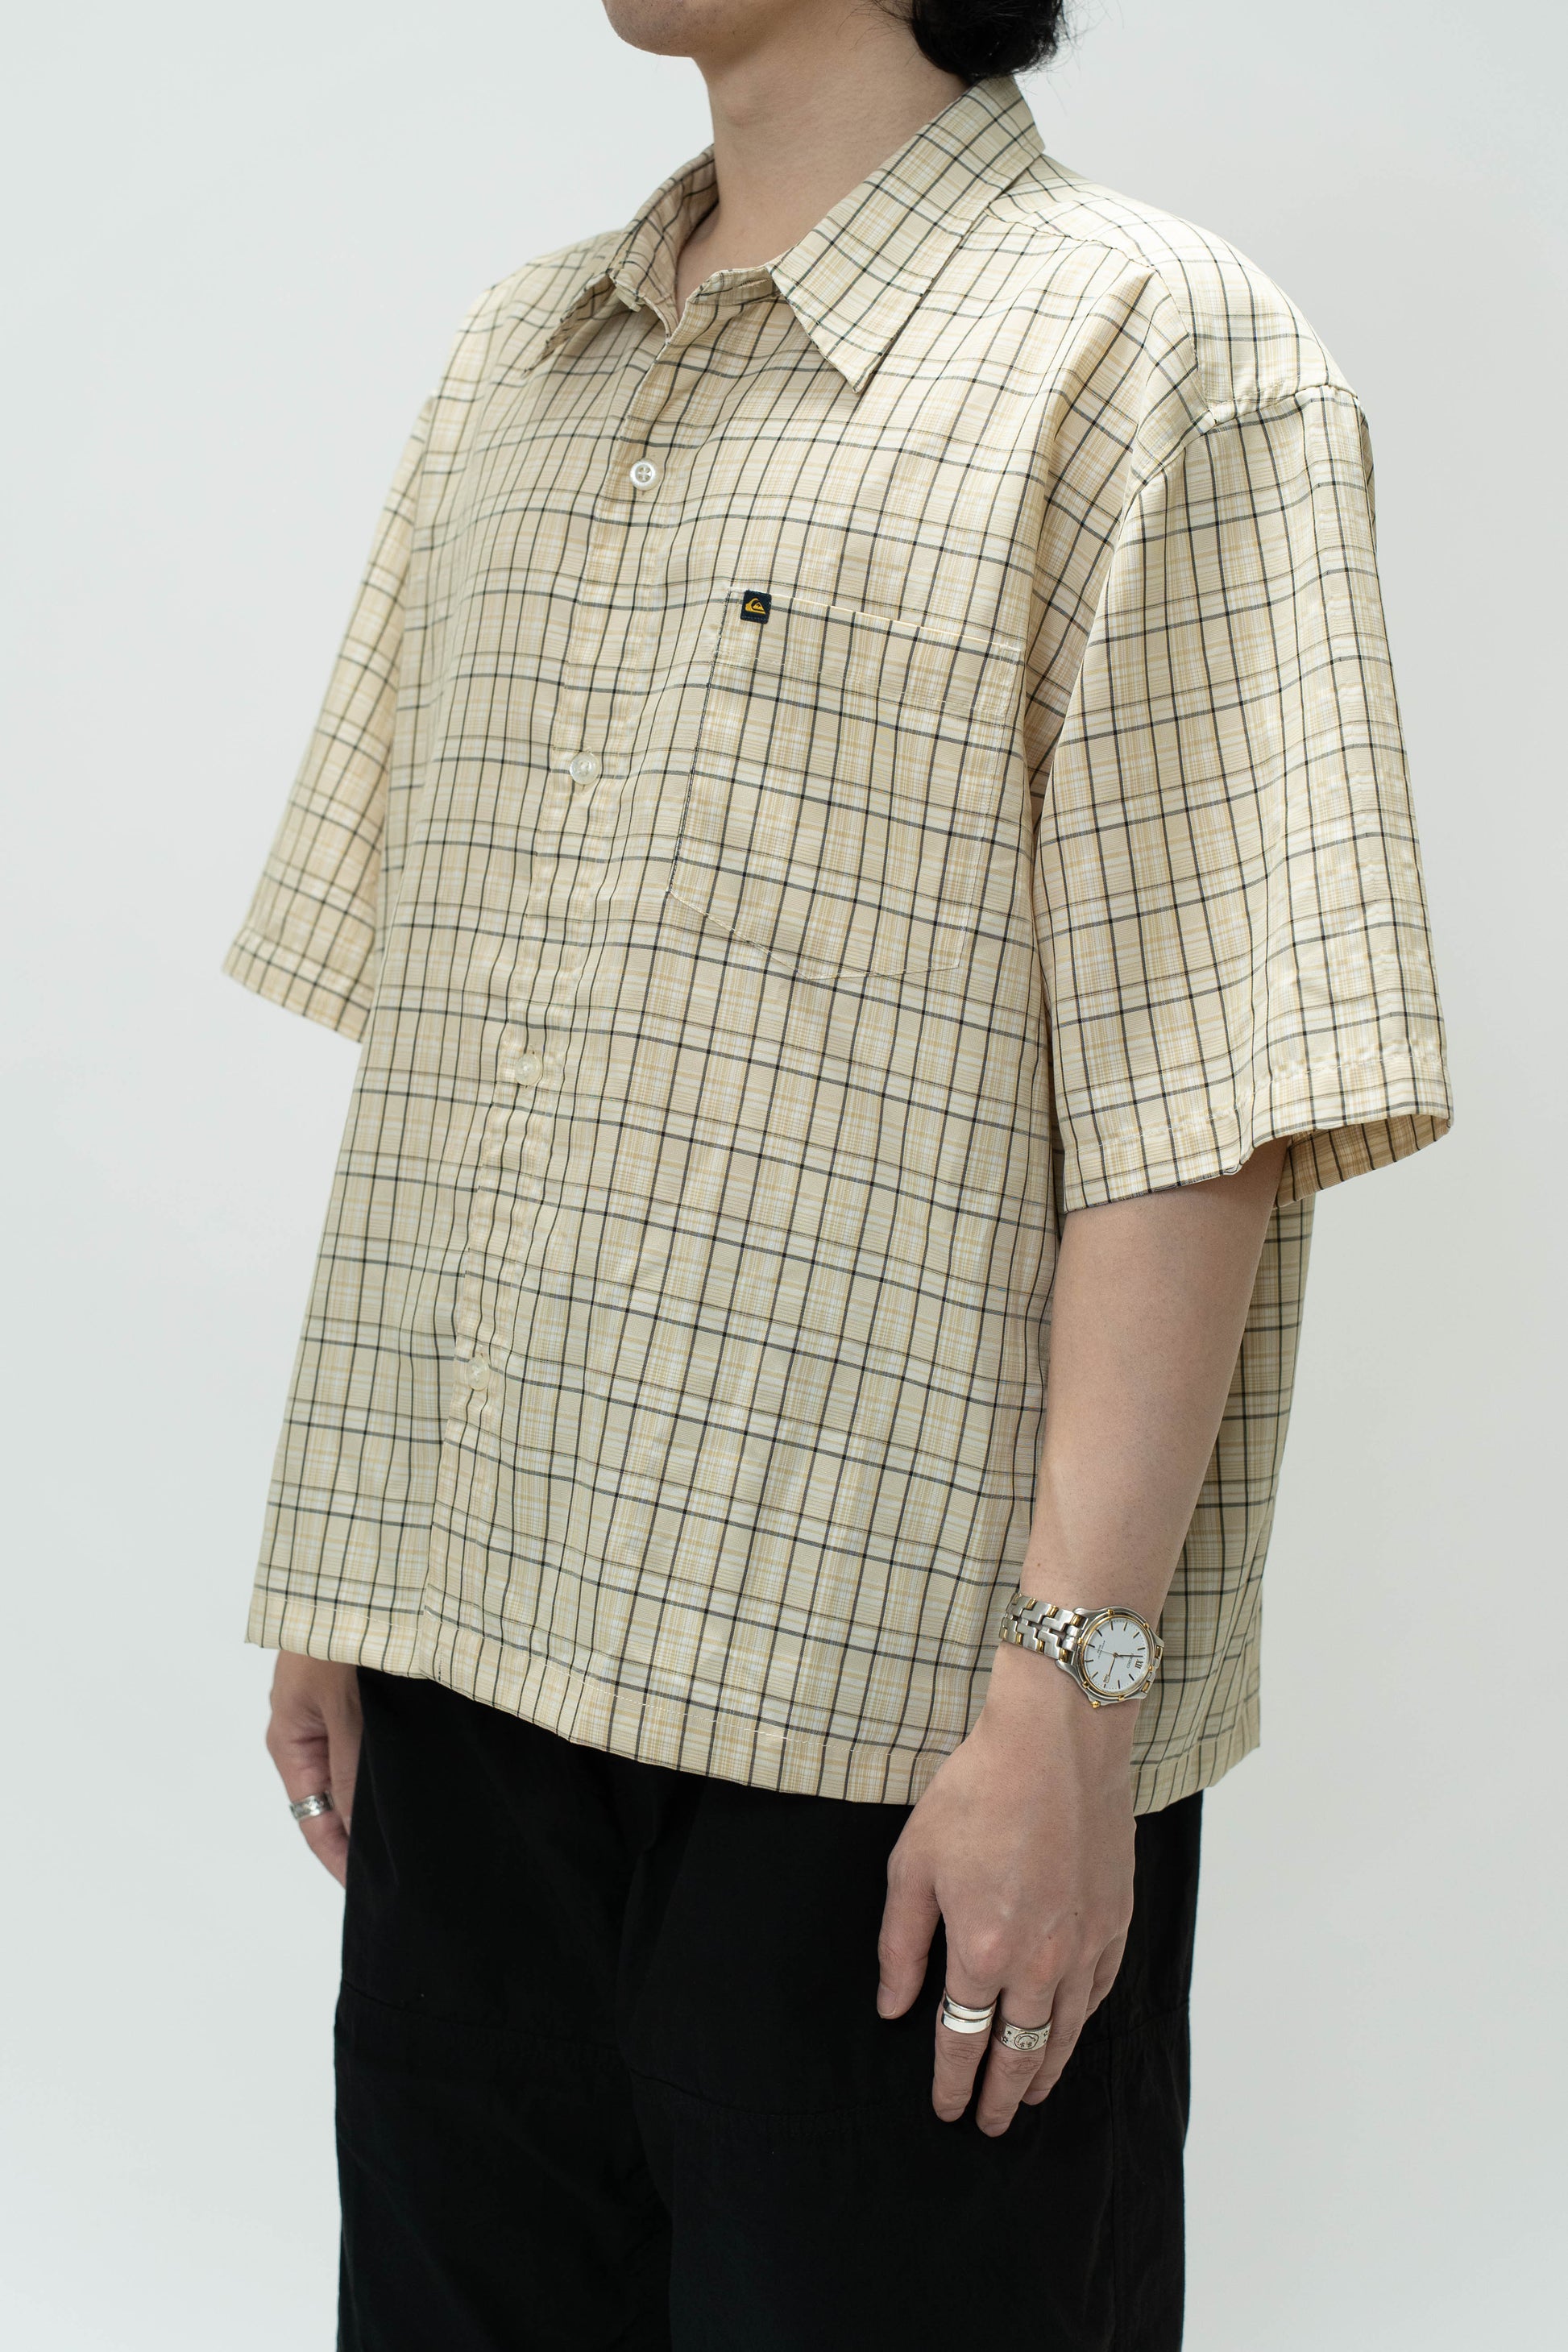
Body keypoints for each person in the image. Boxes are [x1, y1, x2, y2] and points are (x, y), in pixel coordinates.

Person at [229, 2, 1450, 2344]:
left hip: (893, 1736)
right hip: (472, 1673)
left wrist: (1069, 1701)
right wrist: (352, 1569)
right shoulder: (521, 358)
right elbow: (449, 1011)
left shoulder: (1158, 354)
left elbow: (1205, 1079)